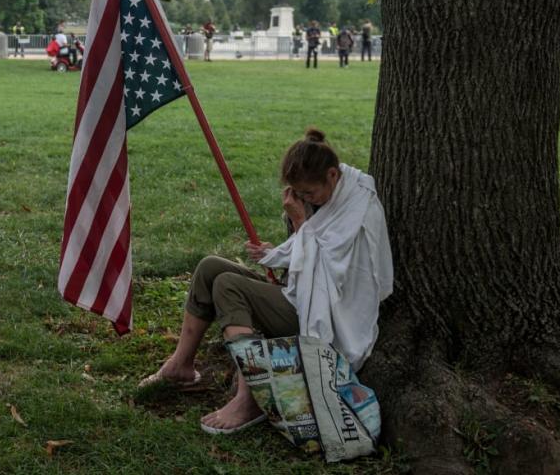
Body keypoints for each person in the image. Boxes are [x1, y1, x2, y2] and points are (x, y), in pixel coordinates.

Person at [138, 128, 393, 435]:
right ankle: (180, 365)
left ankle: (251, 398)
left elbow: (334, 274)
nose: (305, 199)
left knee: (228, 286)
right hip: (301, 294)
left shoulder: (359, 207)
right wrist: (280, 251)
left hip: (327, 316)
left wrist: (300, 222)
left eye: (309, 193)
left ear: (332, 175)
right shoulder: (330, 196)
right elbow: (312, 252)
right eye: (299, 194)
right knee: (210, 268)